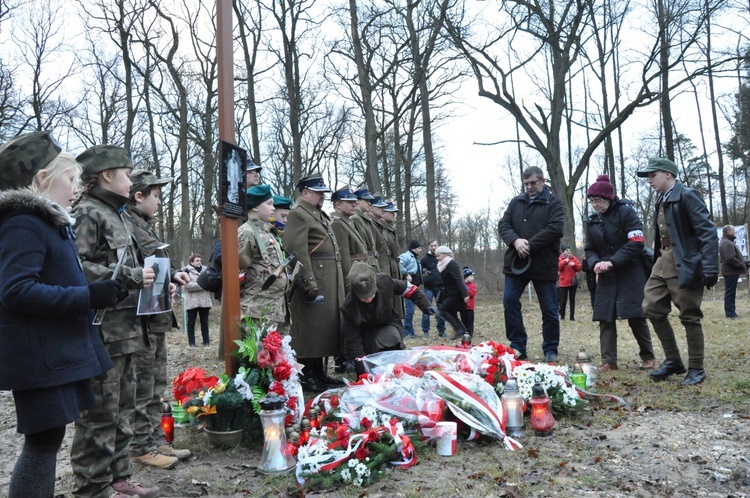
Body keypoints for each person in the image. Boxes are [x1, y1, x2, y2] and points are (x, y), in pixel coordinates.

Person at [0, 132, 115, 498]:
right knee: (42, 441)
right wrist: (87, 295)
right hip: (38, 356)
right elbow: (16, 290)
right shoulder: (24, 223)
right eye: (69, 179)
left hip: (50, 352)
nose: (75, 188)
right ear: (41, 180)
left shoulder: (45, 221)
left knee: (48, 439)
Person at [70, 145, 161, 498]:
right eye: (126, 174)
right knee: (99, 414)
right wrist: (130, 276)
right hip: (103, 331)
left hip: (129, 330)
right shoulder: (87, 213)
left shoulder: (119, 214)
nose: (131, 180)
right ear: (107, 175)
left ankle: (120, 479)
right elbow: (75, 267)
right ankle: (93, 487)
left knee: (123, 409)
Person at [126, 169, 192, 469]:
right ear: (139, 196)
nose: (159, 202)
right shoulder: (126, 223)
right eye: (155, 196)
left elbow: (154, 261)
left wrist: (173, 274)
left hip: (155, 314)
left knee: (156, 381)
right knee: (143, 382)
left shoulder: (143, 225)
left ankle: (154, 440)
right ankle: (142, 445)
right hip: (137, 318)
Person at [637, 158, 718, 386]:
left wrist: (710, 268)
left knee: (690, 315)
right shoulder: (661, 199)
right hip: (663, 261)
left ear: (668, 175)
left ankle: (697, 368)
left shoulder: (687, 195)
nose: (650, 181)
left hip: (686, 263)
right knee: (651, 308)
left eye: (653, 175)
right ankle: (673, 360)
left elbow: (708, 233)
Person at [584, 174, 656, 373]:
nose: (595, 204)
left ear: (609, 198)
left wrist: (612, 262)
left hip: (631, 271)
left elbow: (636, 242)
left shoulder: (627, 213)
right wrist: (595, 263)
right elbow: (589, 248)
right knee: (605, 317)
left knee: (636, 315)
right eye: (592, 201)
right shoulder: (593, 221)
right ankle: (609, 361)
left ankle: (648, 356)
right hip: (606, 274)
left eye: (598, 200)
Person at [283, 173, 345, 393]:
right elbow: (297, 250)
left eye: (322, 193)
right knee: (310, 331)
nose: (322, 196)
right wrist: (308, 282)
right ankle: (307, 375)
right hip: (313, 279)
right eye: (317, 192)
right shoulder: (298, 214)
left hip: (327, 278)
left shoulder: (317, 214)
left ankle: (320, 373)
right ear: (305, 192)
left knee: (323, 330)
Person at [498, 166, 564, 362]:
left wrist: (530, 244)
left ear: (543, 181)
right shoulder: (516, 202)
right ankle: (518, 346)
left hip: (543, 264)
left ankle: (551, 348)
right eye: (526, 183)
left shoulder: (554, 203)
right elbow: (503, 225)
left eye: (533, 183)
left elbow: (556, 228)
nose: (529, 187)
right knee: (509, 302)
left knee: (550, 309)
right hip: (516, 263)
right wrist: (515, 241)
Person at [342, 262, 436, 376]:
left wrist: (426, 306)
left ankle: (397, 364)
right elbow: (353, 340)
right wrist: (362, 370)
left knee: (391, 338)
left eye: (371, 294)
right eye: (363, 297)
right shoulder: (348, 306)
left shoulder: (385, 282)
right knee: (374, 367)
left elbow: (410, 290)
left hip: (389, 325)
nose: (368, 298)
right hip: (367, 335)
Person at [238, 185, 289, 330]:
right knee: (258, 352)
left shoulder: (268, 231)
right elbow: (238, 270)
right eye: (269, 204)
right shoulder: (246, 232)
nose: (273, 208)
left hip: (276, 308)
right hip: (257, 309)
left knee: (278, 352)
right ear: (255, 207)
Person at [330, 186, 369, 295]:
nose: (354, 204)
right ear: (338, 205)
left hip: (361, 272)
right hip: (354, 275)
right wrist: (348, 284)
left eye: (355, 202)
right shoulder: (337, 224)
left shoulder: (348, 222)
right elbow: (344, 257)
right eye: (349, 202)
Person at [434, 246, 469, 339]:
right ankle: (462, 330)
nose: (437, 258)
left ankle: (460, 329)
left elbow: (458, 279)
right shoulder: (442, 265)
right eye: (436, 256)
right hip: (448, 292)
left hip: (455, 293)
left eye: (439, 255)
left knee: (442, 309)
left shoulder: (451, 264)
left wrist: (465, 294)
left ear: (445, 254)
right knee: (451, 312)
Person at [183, 253, 214, 346]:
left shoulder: (206, 270)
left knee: (204, 322)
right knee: (191, 323)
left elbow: (211, 283)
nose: (199, 262)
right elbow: (188, 286)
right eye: (197, 260)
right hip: (193, 301)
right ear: (191, 262)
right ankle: (192, 343)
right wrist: (203, 285)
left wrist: (200, 285)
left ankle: (207, 342)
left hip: (205, 301)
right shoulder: (186, 271)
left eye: (200, 260)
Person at [719, 225, 747, 318]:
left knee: (730, 292)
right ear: (728, 232)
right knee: (730, 293)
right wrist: (741, 265)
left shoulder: (726, 241)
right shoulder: (727, 243)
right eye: (733, 230)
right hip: (730, 271)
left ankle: (730, 312)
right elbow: (730, 258)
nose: (735, 232)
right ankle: (731, 314)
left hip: (730, 271)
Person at [420, 239, 447, 338]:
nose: (433, 247)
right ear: (428, 247)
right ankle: (425, 331)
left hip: (440, 287)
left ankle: (442, 331)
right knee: (426, 308)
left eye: (435, 245)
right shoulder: (424, 260)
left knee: (441, 309)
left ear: (438, 246)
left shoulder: (442, 258)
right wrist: (423, 277)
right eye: (431, 246)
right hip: (428, 288)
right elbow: (420, 273)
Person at [350, 185, 380, 271]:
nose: (369, 203)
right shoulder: (356, 218)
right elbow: (363, 246)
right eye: (366, 200)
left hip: (372, 261)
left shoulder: (363, 219)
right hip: (367, 262)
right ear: (357, 201)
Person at [398, 240, 423, 337]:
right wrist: (406, 274)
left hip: (413, 287)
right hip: (407, 287)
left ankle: (410, 331)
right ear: (413, 248)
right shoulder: (406, 256)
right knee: (410, 310)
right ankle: (407, 331)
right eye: (419, 248)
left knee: (411, 310)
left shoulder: (415, 258)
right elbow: (398, 263)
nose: (421, 250)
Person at [557, 245, 581, 321]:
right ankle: (562, 316)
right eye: (567, 250)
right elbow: (558, 267)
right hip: (563, 283)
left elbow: (579, 268)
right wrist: (565, 261)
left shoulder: (574, 258)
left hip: (572, 283)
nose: (569, 251)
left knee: (572, 300)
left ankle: (572, 317)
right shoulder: (560, 259)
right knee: (563, 300)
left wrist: (574, 265)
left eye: (569, 250)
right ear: (563, 251)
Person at [461, 267, 477, 335]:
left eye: (473, 276)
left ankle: (470, 332)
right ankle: (464, 332)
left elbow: (472, 294)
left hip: (470, 307)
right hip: (462, 307)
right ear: (466, 277)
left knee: (470, 321)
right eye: (471, 276)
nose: (472, 278)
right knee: (463, 320)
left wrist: (466, 288)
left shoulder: (473, 286)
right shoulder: (461, 284)